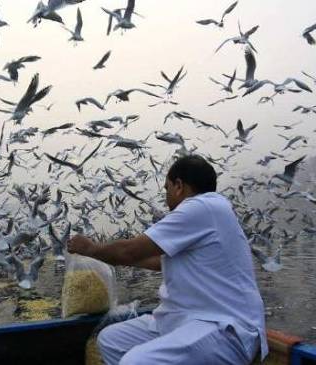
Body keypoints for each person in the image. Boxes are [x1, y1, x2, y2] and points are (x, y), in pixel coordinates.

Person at [67, 155, 267, 365]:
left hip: (225, 327)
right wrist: (116, 257)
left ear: (179, 185)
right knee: (110, 340)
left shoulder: (202, 207)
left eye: (166, 189)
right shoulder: (207, 213)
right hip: (184, 320)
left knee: (135, 362)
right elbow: (155, 261)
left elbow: (130, 252)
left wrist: (91, 249)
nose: (166, 196)